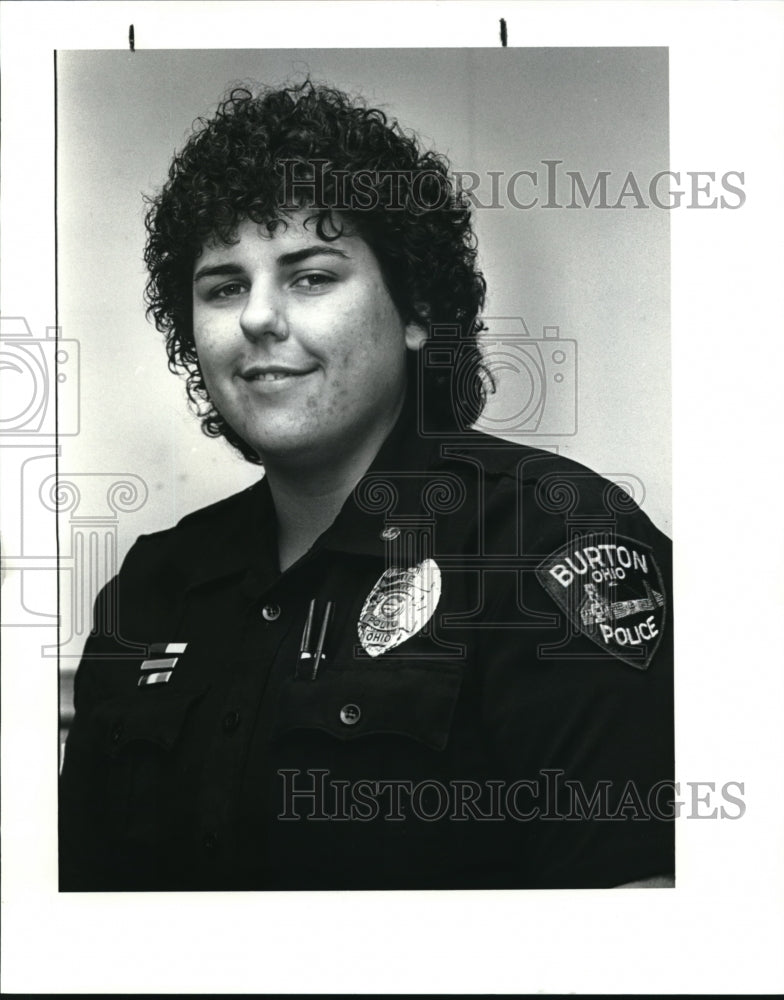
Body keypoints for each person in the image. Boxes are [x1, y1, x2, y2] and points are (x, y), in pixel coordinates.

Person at [59, 81, 674, 891]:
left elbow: (640, 929)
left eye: (310, 276)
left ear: (416, 308)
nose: (258, 318)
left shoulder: (551, 539)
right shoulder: (155, 585)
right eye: (223, 287)